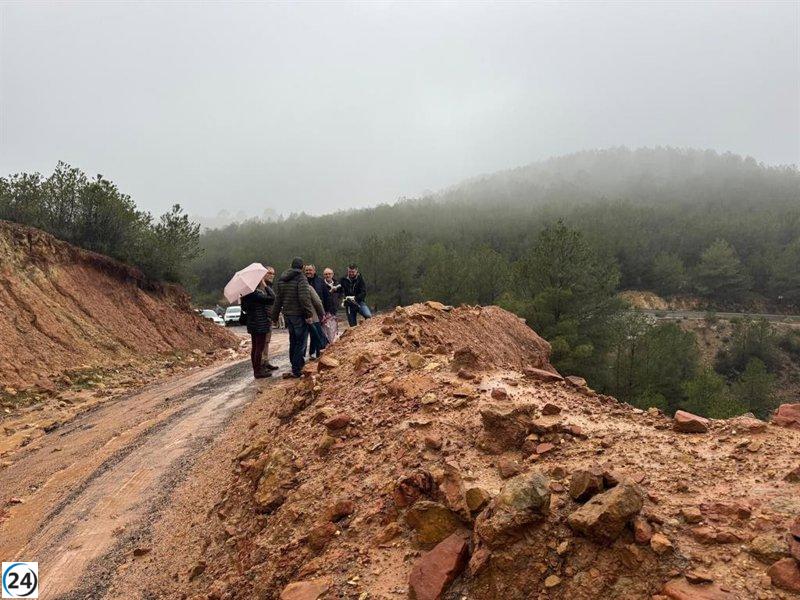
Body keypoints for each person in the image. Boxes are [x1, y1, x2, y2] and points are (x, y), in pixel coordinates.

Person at [272, 257, 315, 378]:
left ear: (291, 265)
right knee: (300, 341)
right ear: (302, 267)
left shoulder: (282, 278)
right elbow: (304, 298)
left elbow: (278, 299)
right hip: (299, 315)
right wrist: (309, 314)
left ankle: (295, 364)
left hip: (287, 315)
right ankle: (297, 369)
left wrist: (274, 316)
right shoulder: (301, 278)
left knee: (293, 340)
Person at [240, 267, 276, 379]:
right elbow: (272, 298)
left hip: (252, 323)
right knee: (259, 348)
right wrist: (265, 285)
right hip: (260, 323)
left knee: (255, 347)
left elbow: (244, 308)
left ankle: (256, 369)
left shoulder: (245, 294)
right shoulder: (255, 294)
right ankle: (258, 371)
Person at [304, 265, 328, 359]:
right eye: (306, 270)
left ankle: (317, 353)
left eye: (310, 270)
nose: (308, 272)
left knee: (316, 333)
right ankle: (314, 353)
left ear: (314, 271)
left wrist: (326, 311)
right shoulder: (302, 281)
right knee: (313, 334)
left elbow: (326, 296)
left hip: (317, 311)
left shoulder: (320, 281)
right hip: (309, 312)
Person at [321, 268, 340, 342]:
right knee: (324, 334)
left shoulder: (337, 284)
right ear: (324, 275)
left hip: (334, 311)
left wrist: (338, 302)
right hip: (324, 312)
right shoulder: (321, 284)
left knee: (333, 333)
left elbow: (341, 294)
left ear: (332, 274)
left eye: (329, 274)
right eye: (326, 274)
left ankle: (331, 346)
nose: (328, 275)